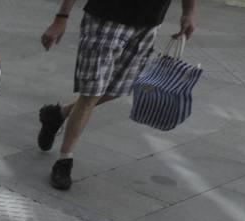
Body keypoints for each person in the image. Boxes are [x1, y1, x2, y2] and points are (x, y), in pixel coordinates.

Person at [36, 0, 197, 190]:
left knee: (121, 88)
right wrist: (61, 18)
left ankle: (58, 114)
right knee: (91, 93)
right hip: (105, 19)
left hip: (149, 24)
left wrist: (189, 12)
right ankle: (64, 161)